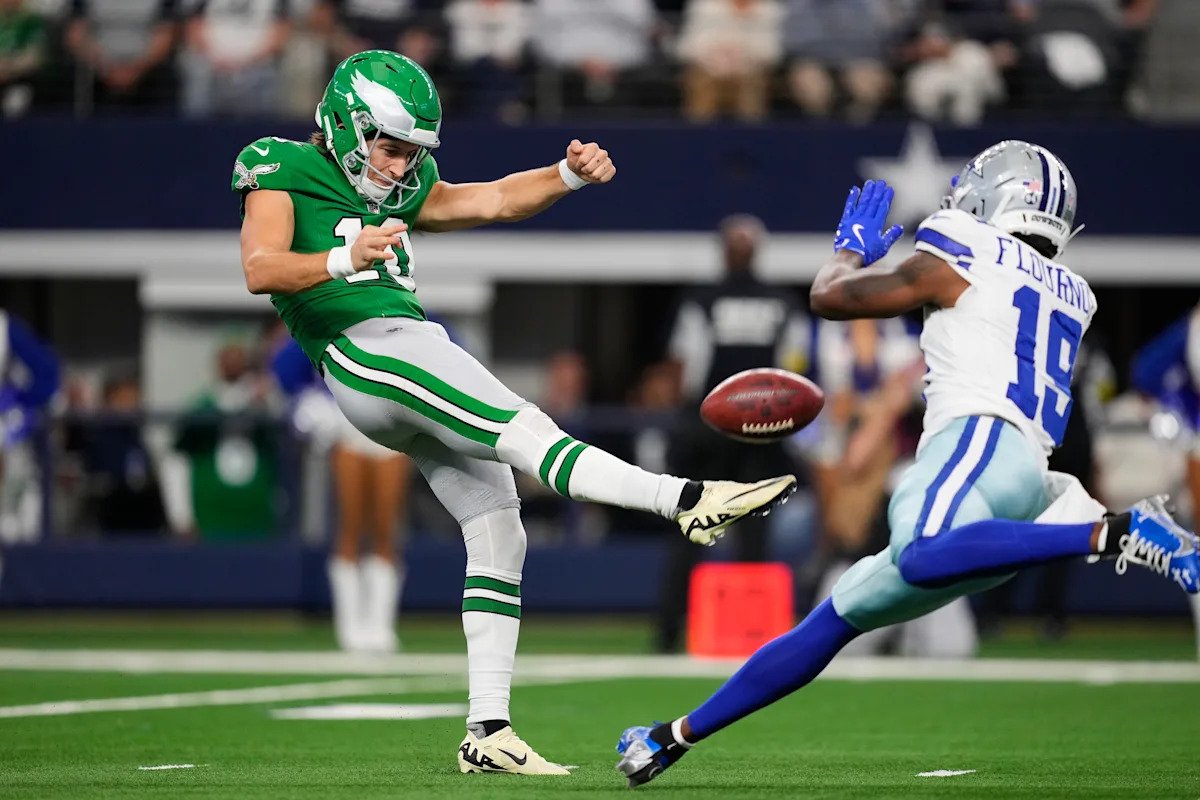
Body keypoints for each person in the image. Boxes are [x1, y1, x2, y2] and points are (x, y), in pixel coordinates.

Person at [232, 50, 795, 776]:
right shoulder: (281, 164)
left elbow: (493, 199)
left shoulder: (404, 182)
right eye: (391, 147)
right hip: (363, 344)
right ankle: (685, 500)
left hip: (397, 352)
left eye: (411, 152)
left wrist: (565, 176)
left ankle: (488, 731)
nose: (401, 166)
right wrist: (344, 260)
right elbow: (259, 267)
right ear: (346, 123)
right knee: (527, 431)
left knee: (499, 525)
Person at [614, 141, 1200, 787]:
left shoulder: (967, 243)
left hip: (975, 446)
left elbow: (831, 298)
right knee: (837, 615)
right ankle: (671, 737)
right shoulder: (1074, 291)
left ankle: (1120, 531)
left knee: (920, 554)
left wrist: (848, 253)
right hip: (1023, 481)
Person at [654, 213, 808, 653]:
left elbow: (685, 367)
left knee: (693, 525)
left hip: (709, 427)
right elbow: (794, 370)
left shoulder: (702, 300)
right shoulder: (782, 303)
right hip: (759, 431)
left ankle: (675, 632)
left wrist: (687, 416)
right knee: (749, 531)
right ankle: (748, 634)